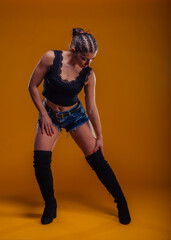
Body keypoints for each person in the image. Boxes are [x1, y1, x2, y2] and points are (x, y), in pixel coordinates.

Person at [28, 28, 131, 225]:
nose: (88, 63)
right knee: (40, 161)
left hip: (75, 116)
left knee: (98, 161)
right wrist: (44, 115)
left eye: (92, 59)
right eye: (85, 58)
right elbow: (32, 86)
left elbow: (91, 108)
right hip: (49, 114)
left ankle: (122, 202)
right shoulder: (51, 57)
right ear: (73, 50)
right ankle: (50, 205)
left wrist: (99, 135)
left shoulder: (88, 75)